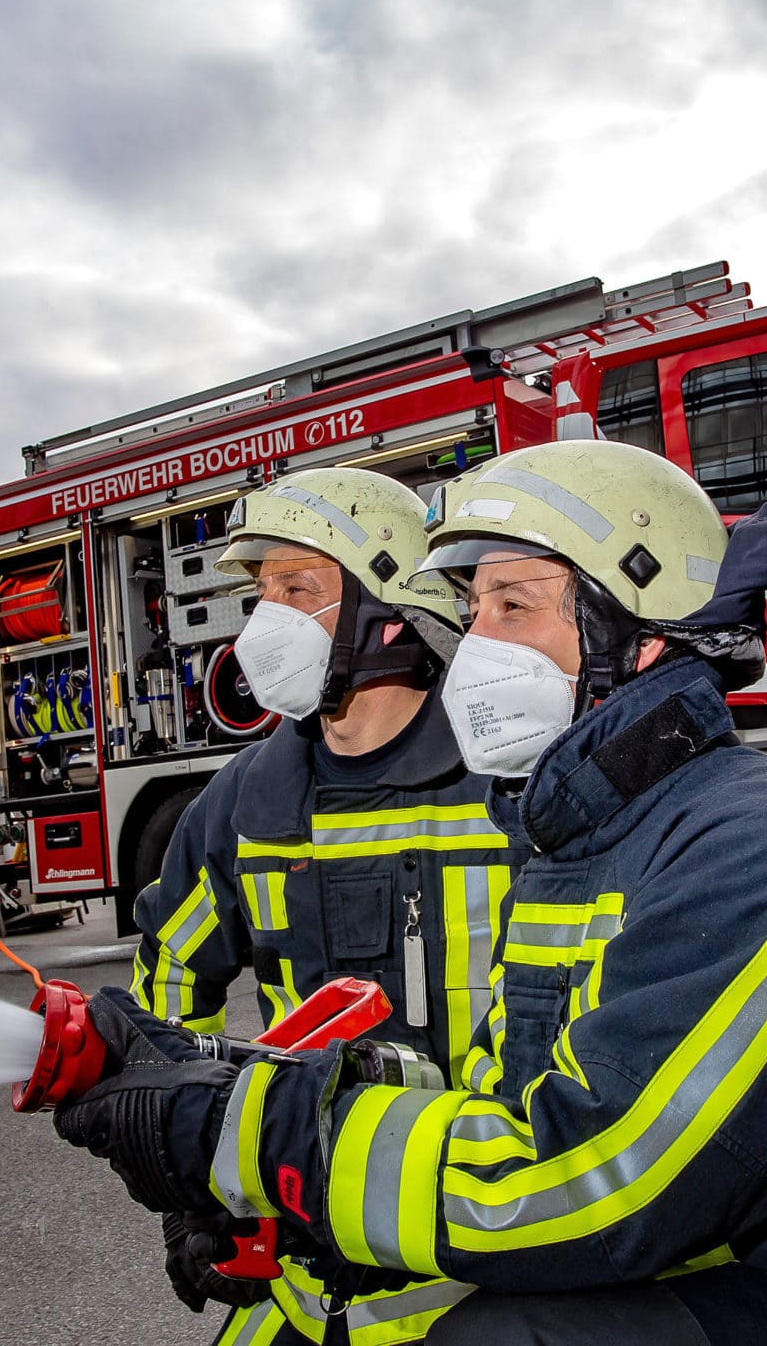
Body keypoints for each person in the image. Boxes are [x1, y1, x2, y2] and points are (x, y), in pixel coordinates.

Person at [63, 441, 767, 1345]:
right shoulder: (585, 832)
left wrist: (271, 1137)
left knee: (511, 1335)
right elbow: (512, 1095)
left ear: (633, 632)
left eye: (513, 605)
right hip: (727, 1265)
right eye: (472, 611)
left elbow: (591, 1183)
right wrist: (233, 1083)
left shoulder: (755, 847)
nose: (475, 647)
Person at [124, 467, 524, 1344]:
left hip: (481, 1283)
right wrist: (190, 1187)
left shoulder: (504, 789)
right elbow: (168, 978)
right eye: (260, 593)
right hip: (302, 1294)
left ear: (391, 608)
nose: (263, 623)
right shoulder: (245, 802)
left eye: (298, 588)